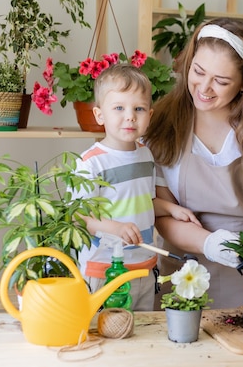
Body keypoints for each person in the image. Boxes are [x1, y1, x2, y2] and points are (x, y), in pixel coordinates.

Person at [143, 18, 243, 309]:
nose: (204, 88)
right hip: (186, 272)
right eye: (198, 71)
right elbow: (163, 214)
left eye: (221, 81)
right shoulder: (164, 127)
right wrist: (208, 243)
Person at [73, 63, 200, 311]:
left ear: (149, 116)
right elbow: (79, 217)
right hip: (105, 269)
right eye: (119, 108)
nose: (130, 116)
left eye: (139, 109)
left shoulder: (145, 155)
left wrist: (170, 209)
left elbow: (143, 200)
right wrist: (115, 228)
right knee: (106, 332)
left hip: (144, 266)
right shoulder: (91, 163)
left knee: (141, 334)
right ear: (100, 115)